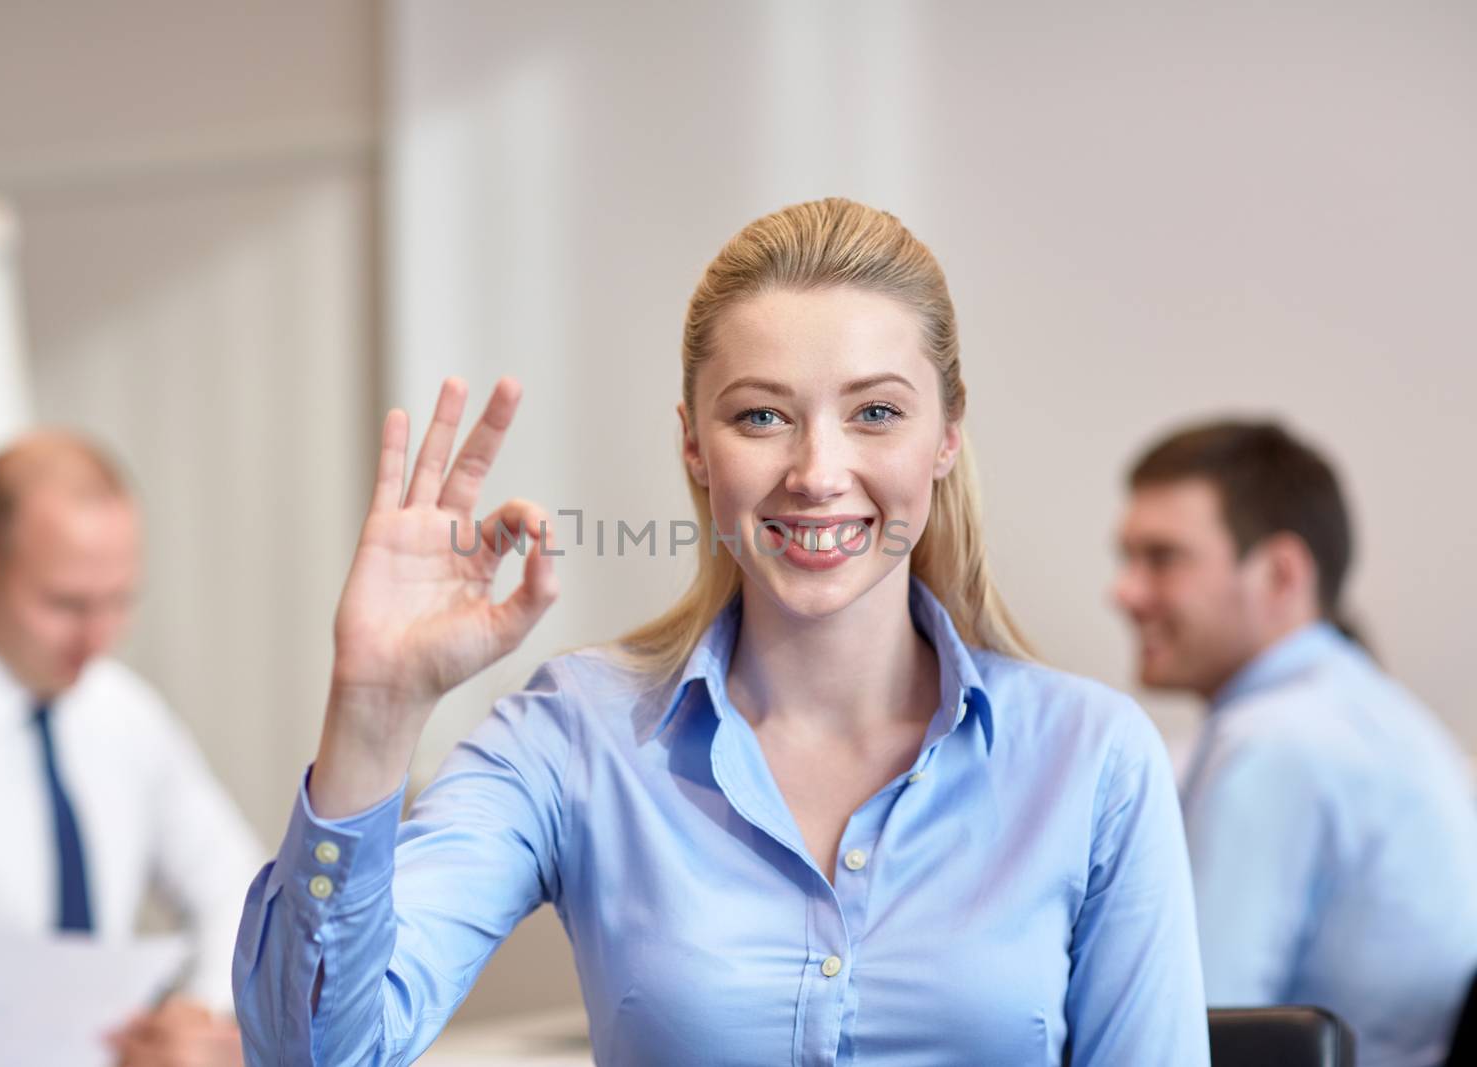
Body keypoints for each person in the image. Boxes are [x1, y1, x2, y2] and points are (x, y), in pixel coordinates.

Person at [233, 198, 1210, 1065]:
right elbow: (317, 1052)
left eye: (875, 411)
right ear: (696, 447)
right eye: (761, 416)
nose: (817, 470)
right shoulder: (573, 735)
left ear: (945, 435)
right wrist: (372, 710)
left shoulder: (1092, 758)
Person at [0, 431, 264, 1067]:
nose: (97, 637)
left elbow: (238, 886)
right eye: (66, 604)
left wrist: (198, 1012)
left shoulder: (122, 710)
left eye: (118, 601)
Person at [1113, 419, 1477, 1067]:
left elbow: (1193, 1036)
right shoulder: (1364, 710)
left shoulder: (1276, 743)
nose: (1126, 592)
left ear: (1281, 574)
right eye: (1127, 558)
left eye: (1162, 557)